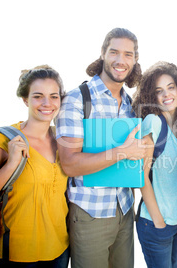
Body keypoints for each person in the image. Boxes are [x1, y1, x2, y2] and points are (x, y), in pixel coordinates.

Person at [56, 28, 146, 268]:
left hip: (124, 210)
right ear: (103, 54)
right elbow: (70, 164)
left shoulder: (130, 104)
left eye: (128, 54)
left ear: (135, 60)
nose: (120, 60)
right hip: (90, 213)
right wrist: (123, 152)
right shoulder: (78, 99)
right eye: (114, 52)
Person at [0, 65, 69, 267]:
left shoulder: (64, 140)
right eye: (38, 96)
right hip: (17, 254)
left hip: (60, 251)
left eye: (54, 96)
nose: (47, 103)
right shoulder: (2, 139)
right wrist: (10, 165)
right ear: (25, 99)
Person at [132, 61, 177, 268]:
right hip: (156, 223)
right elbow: (140, 175)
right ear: (152, 96)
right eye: (159, 91)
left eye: (171, 87)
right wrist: (158, 220)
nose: (166, 94)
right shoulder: (153, 122)